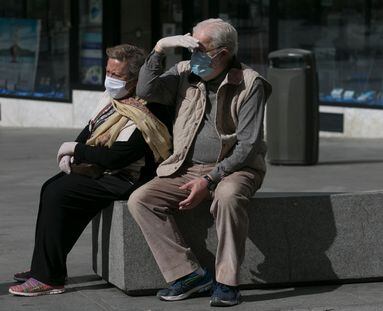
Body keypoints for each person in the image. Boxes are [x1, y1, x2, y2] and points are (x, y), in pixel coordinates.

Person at [127, 18, 272, 307]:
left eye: (199, 48)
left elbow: (248, 145)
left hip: (236, 169)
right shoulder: (184, 73)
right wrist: (159, 49)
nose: (192, 54)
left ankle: (227, 282)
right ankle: (189, 274)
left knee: (228, 197)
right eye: (189, 46)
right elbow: (145, 92)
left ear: (223, 53)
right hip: (186, 167)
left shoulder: (249, 83)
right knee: (141, 199)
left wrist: (210, 181)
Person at [8, 44, 172, 297]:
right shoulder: (111, 99)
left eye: (117, 75)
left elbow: (119, 157)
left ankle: (48, 278)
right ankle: (44, 267)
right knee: (51, 187)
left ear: (136, 79)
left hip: (127, 179)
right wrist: (73, 153)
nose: (110, 79)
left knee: (60, 194)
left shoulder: (148, 109)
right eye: (108, 71)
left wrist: (77, 150)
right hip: (104, 171)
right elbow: (90, 130)